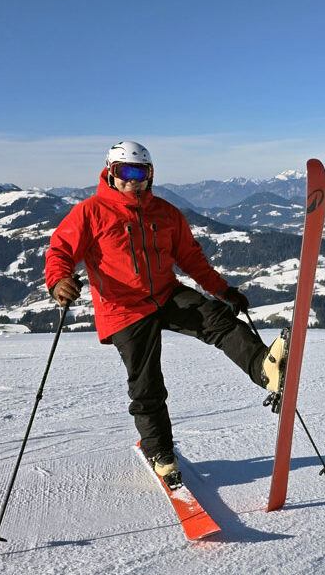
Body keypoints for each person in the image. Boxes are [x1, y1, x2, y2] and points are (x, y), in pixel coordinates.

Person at [44, 141, 285, 489]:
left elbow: (191, 258)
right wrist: (58, 280)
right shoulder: (90, 212)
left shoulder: (166, 213)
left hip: (165, 293)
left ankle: (264, 367)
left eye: (140, 172)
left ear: (151, 174)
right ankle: (161, 453)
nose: (132, 180)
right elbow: (60, 250)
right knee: (147, 385)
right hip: (123, 308)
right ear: (110, 173)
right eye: (124, 172)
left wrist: (222, 290)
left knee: (216, 319)